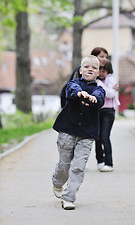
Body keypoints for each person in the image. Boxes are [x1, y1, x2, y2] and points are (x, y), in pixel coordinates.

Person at [52, 55, 105, 210]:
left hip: (87, 134)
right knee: (64, 164)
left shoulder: (99, 89)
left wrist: (94, 98)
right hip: (67, 130)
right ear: (81, 70)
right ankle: (57, 182)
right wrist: (80, 94)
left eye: (94, 68)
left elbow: (101, 97)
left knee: (78, 167)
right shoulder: (73, 84)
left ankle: (68, 198)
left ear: (98, 73)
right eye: (87, 67)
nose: (90, 69)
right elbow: (71, 90)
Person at [96, 60, 120, 172]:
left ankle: (109, 163)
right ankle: (100, 161)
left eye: (103, 71)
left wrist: (99, 84)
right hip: (97, 110)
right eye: (99, 70)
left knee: (105, 137)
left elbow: (110, 94)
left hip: (108, 111)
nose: (101, 73)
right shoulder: (95, 80)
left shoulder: (110, 80)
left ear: (108, 71)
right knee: (97, 137)